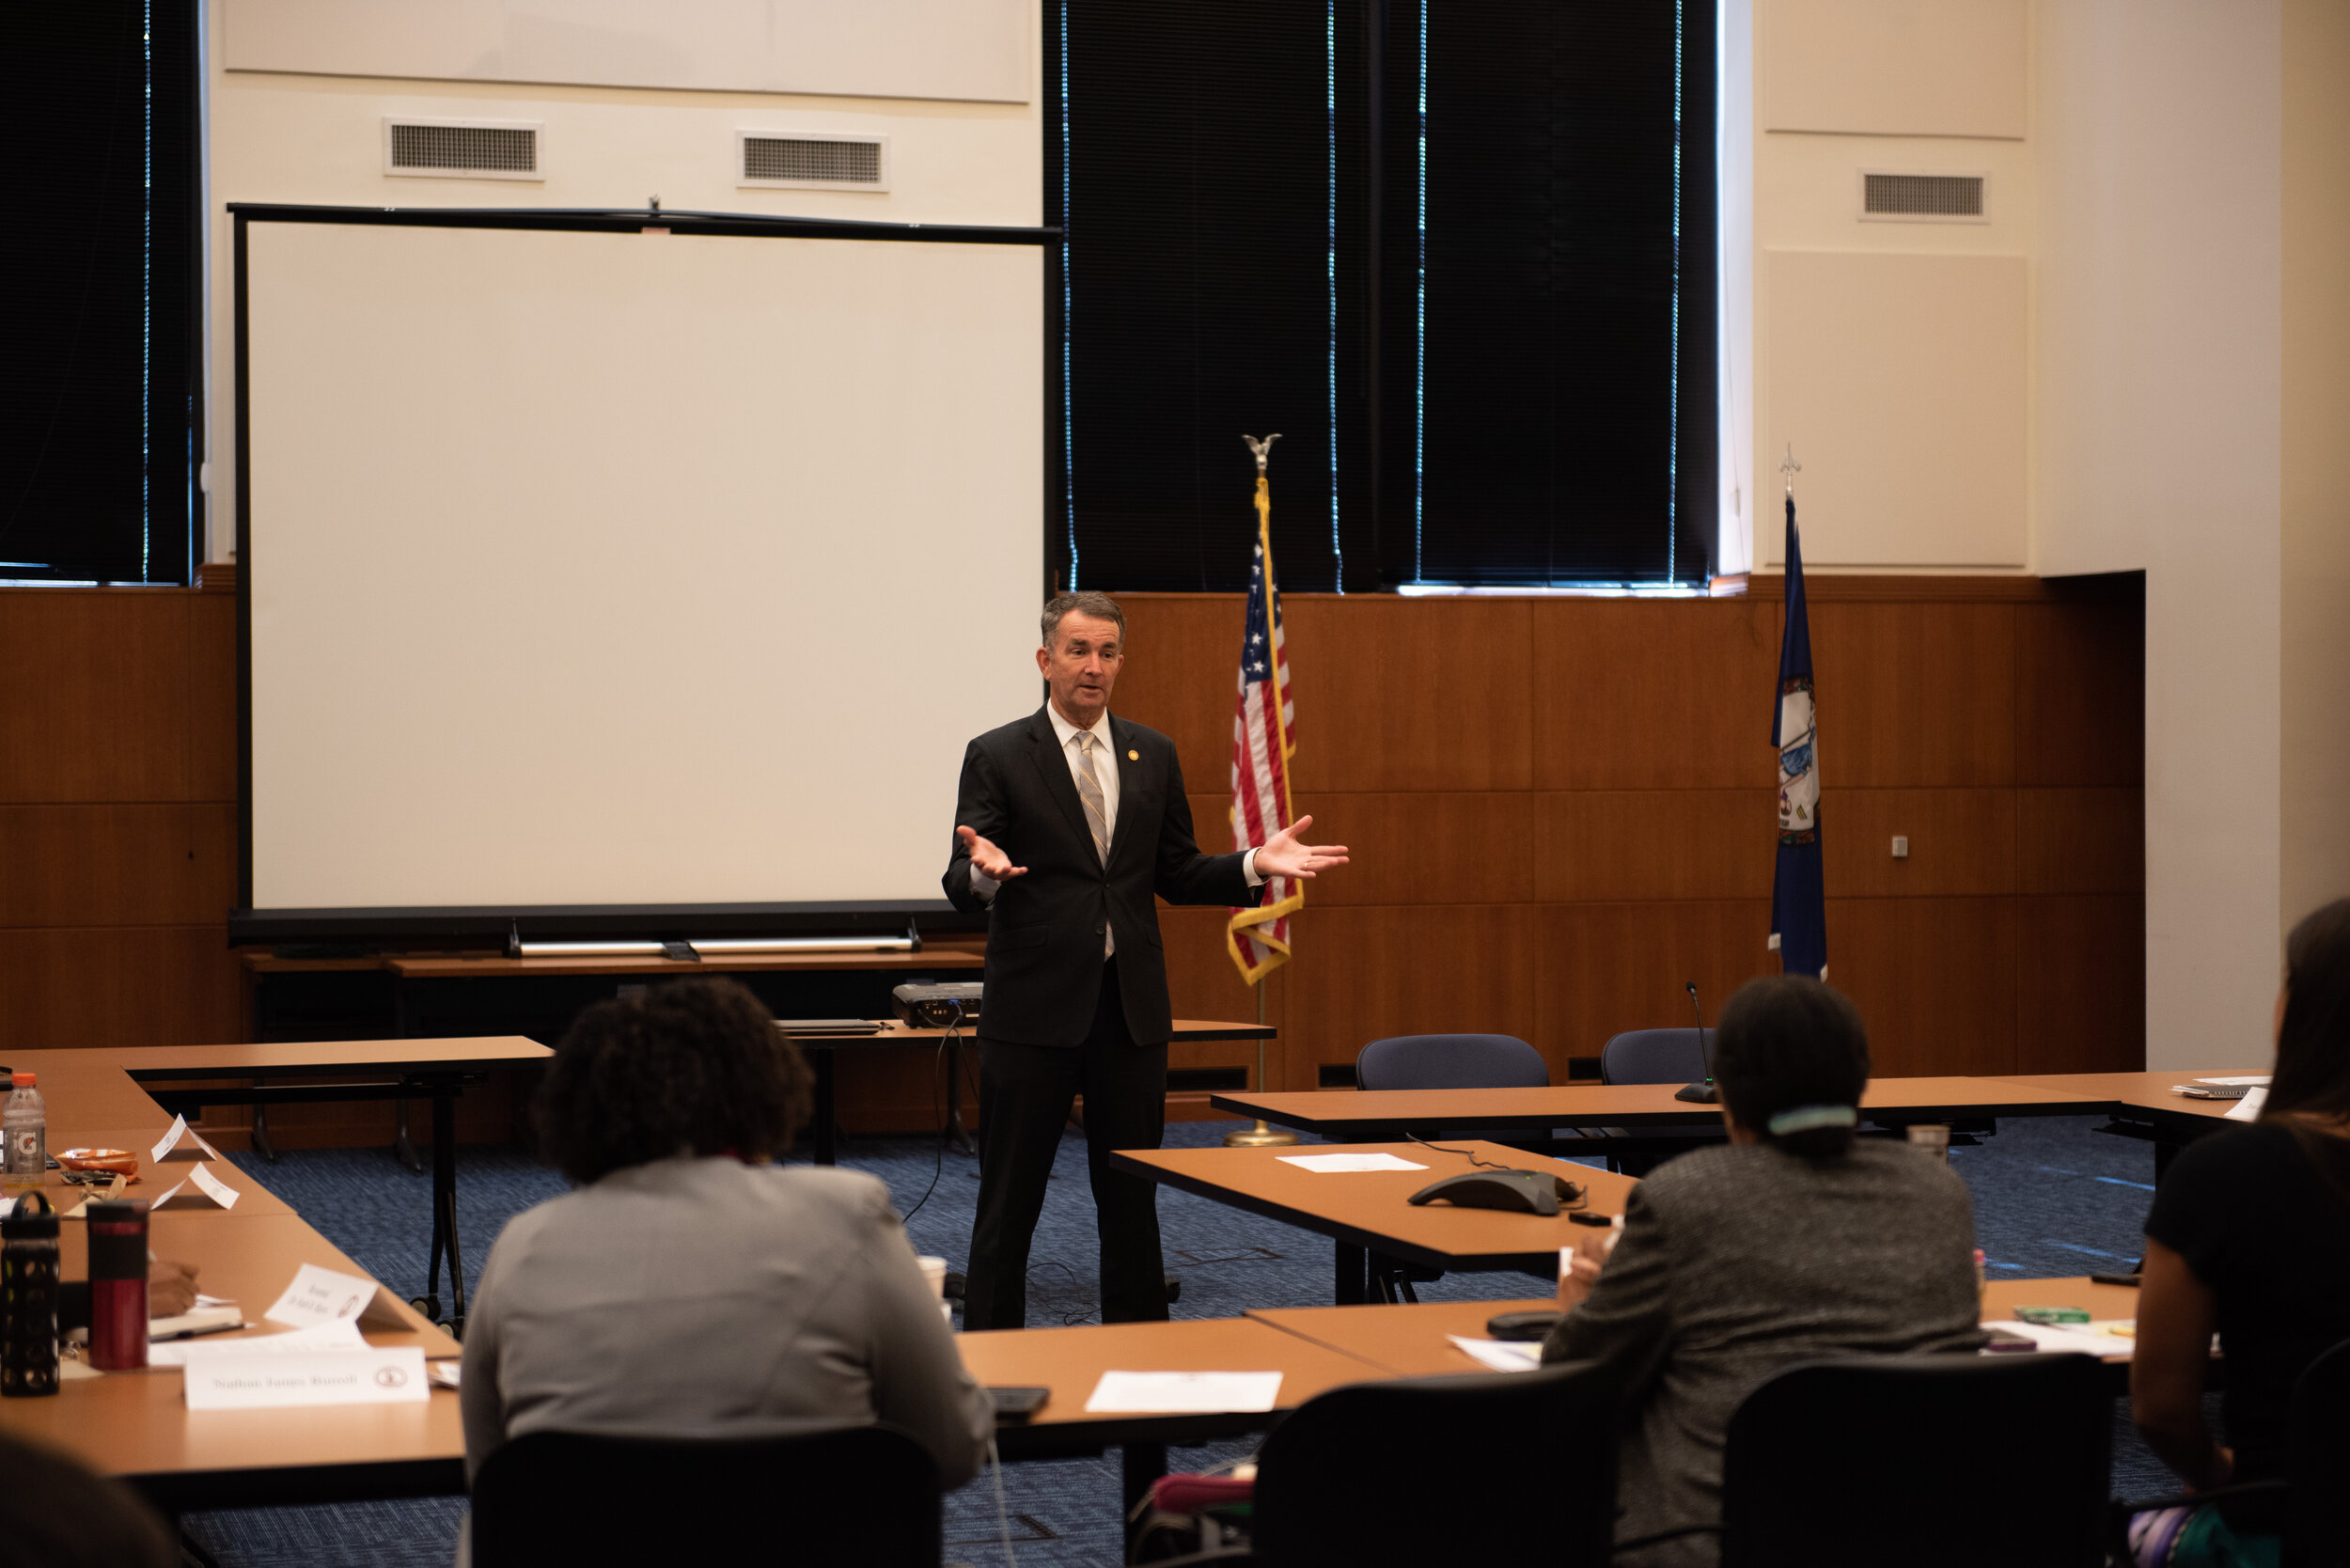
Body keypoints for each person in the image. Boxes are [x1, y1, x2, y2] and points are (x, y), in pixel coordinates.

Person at [946, 590, 1348, 1329]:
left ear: (1120, 662)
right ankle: (992, 1367)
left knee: (1132, 1194)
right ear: (1045, 661)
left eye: (1105, 653)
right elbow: (960, 880)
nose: (1092, 667)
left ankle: (1139, 1358)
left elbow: (1178, 871)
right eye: (1077, 651)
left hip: (1128, 1013)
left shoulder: (1151, 753)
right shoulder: (998, 753)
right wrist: (983, 872)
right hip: (1033, 1014)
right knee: (1010, 1199)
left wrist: (1256, 862)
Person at [460, 978, 992, 1494]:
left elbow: (491, 1474)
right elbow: (952, 1446)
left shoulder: (525, 1244)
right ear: (765, 1088)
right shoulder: (846, 1213)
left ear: (576, 1106)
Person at [1539, 976, 1982, 1566]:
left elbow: (1576, 1380)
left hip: (1716, 1542)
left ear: (1724, 1089)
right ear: (1860, 1075)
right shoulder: (1938, 1192)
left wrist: (1581, 1303)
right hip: (1910, 1533)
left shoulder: (1684, 1199)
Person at [2129, 897, 2350, 1568]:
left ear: (2298, 1010)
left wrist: (2223, 1473)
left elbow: (2161, 1408)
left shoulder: (2224, 1177)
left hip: (2282, 1527)